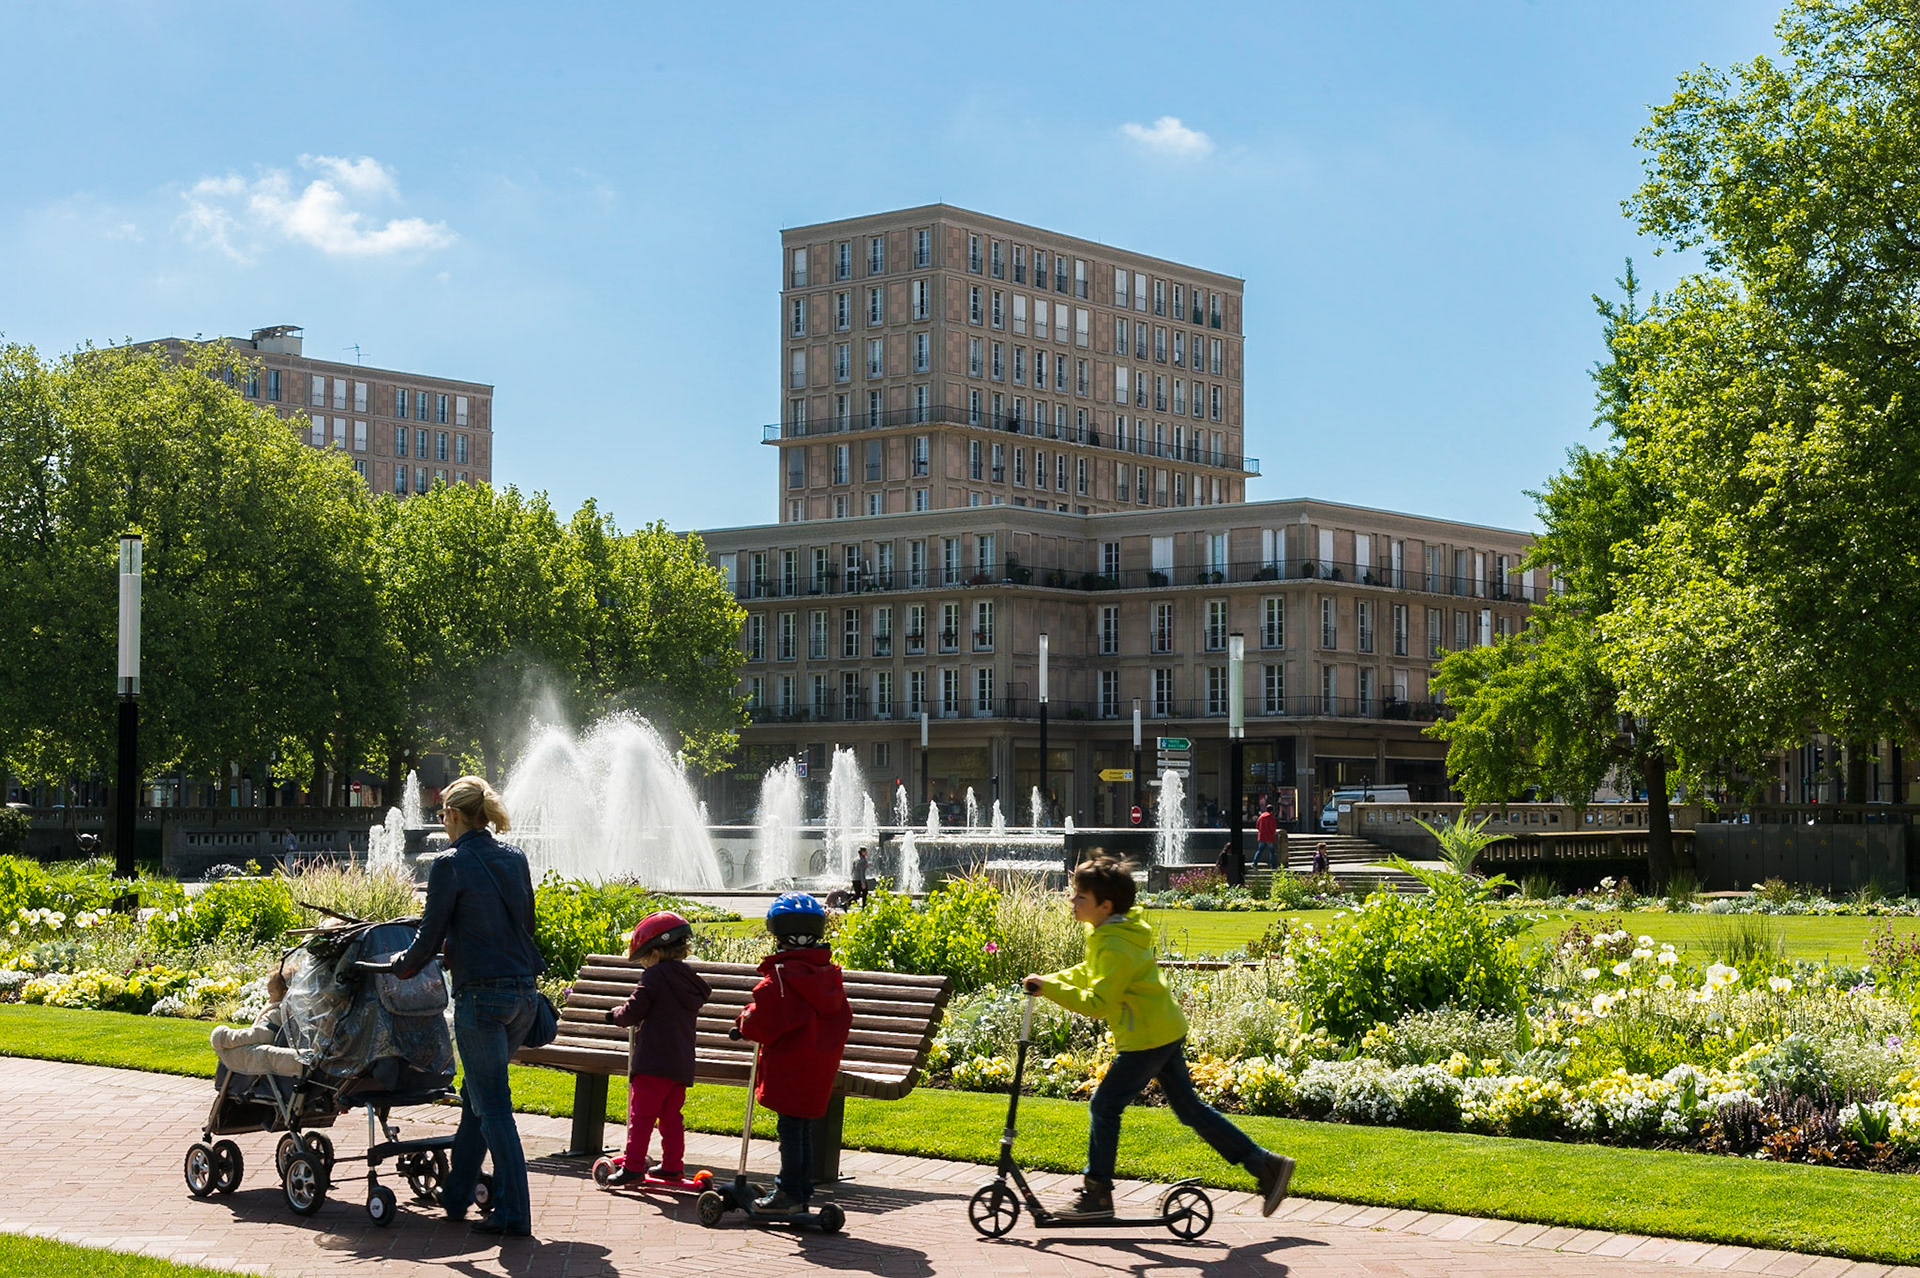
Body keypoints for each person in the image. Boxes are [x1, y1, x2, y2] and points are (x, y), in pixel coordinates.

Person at [1023, 856, 1294, 1221]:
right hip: (1161, 1031)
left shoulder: (1114, 944)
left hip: (1146, 1040)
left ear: (1105, 906)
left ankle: (1097, 1195)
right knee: (1190, 1110)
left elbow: (1098, 1002)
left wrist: (1049, 989)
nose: (1072, 901)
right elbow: (1091, 972)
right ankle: (1265, 1165)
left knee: (1104, 1106)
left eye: (1079, 896)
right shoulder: (1111, 934)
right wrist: (1049, 982)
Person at [366, 775, 545, 1239]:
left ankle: (514, 1212)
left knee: (495, 1107)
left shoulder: (450, 864)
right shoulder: (515, 856)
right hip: (522, 994)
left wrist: (398, 966)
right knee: (478, 1099)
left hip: (481, 998)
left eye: (443, 813)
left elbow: (429, 934)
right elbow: (522, 923)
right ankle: (457, 1193)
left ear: (453, 815)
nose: (441, 822)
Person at [734, 892, 851, 1216]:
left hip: (789, 1067)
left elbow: (764, 1023)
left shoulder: (781, 979)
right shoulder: (827, 975)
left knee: (789, 1129)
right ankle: (801, 1190)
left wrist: (743, 1021)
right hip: (817, 1065)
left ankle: (787, 1190)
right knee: (801, 1128)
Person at [601, 911, 710, 1187]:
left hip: (653, 1062)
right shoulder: (688, 979)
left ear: (656, 951)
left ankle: (634, 1166)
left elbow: (633, 1011)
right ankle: (673, 1166)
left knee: (642, 1116)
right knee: (671, 1117)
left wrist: (615, 1015)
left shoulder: (655, 977)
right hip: (680, 1064)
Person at [210, 968, 301, 1076]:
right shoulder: (297, 1012)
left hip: (270, 1065)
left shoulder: (277, 1013)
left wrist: (223, 1037)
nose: (269, 1000)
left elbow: (262, 1034)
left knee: (233, 1050)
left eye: (271, 994)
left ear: (285, 994)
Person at [1253, 805, 1279, 870]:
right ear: (1272, 811)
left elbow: (1257, 826)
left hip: (1262, 836)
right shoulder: (1271, 817)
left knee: (1260, 850)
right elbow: (1272, 827)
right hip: (1269, 837)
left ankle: (1254, 863)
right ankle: (1272, 866)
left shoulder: (1261, 817)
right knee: (1272, 851)